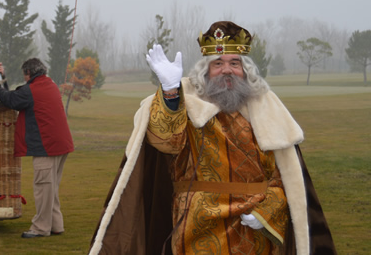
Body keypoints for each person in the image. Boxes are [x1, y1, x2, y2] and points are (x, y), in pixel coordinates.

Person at [90, 21, 336, 254]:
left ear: (245, 70)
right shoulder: (186, 103)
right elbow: (165, 140)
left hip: (251, 231)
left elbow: (285, 176)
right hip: (196, 229)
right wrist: (170, 93)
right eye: (217, 63)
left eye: (234, 63)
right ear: (206, 70)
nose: (226, 70)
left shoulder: (267, 109)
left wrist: (267, 211)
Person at [0, 58, 74, 239]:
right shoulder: (49, 84)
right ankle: (55, 224)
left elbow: (11, 99)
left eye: (25, 75)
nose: (24, 78)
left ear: (28, 73)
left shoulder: (31, 90)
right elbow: (17, 97)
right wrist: (2, 78)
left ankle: (40, 228)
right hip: (60, 145)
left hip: (46, 147)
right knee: (51, 188)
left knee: (43, 188)